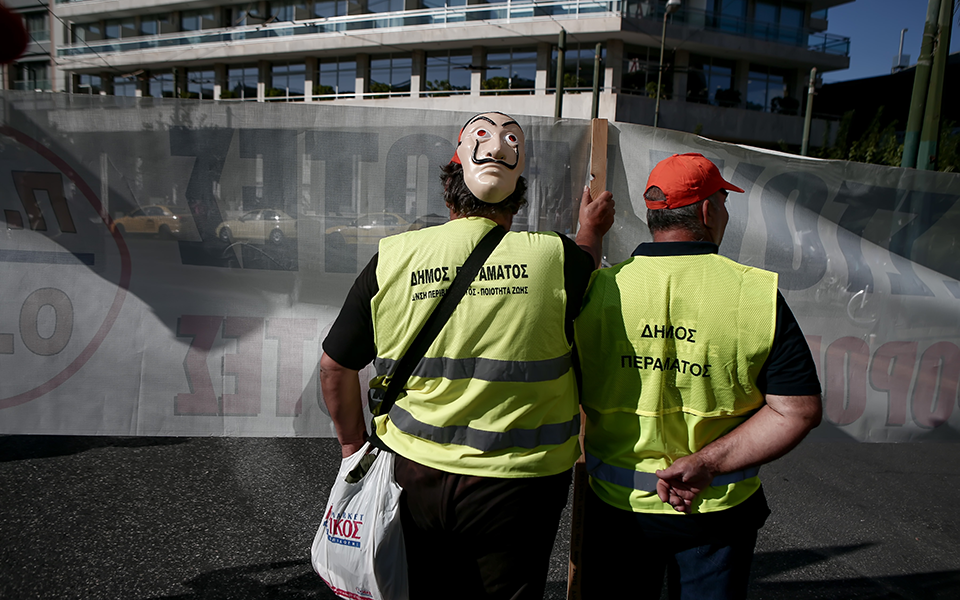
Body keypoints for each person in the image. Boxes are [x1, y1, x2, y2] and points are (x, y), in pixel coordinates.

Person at [319, 111, 614, 599]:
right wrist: (591, 228)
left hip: (411, 474)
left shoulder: (394, 256)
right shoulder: (555, 257)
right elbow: (586, 254)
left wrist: (353, 450)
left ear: (449, 185)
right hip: (520, 486)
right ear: (520, 194)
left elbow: (335, 366)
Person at [574, 153, 822, 599]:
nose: (724, 212)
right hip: (716, 513)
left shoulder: (599, 289)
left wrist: (587, 234)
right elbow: (797, 410)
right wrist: (707, 463)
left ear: (654, 216)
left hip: (617, 509)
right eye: (723, 201)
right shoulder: (755, 293)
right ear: (708, 211)